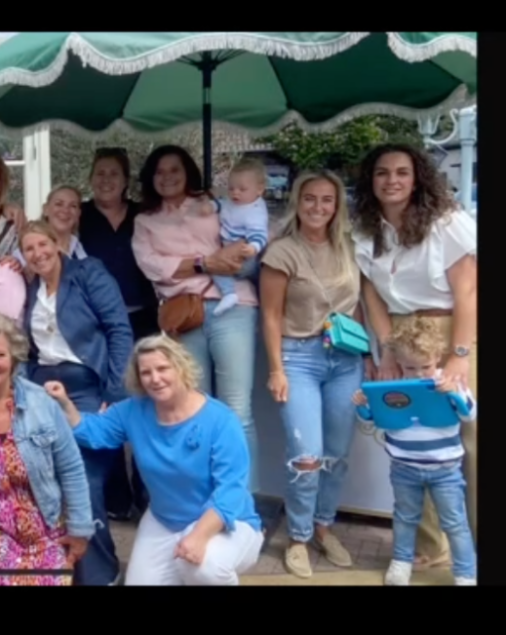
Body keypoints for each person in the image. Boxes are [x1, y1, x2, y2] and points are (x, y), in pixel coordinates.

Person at [47, 335, 264, 586]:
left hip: (226, 523)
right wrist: (64, 403)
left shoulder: (221, 420)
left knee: (202, 568)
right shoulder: (133, 410)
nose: (155, 378)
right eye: (146, 372)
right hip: (164, 520)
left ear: (181, 368)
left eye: (163, 368)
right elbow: (94, 432)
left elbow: (231, 490)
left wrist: (199, 535)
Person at [352, 143, 477, 571]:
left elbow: (468, 292)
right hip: (400, 335)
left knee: (470, 439)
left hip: (450, 327)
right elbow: (370, 294)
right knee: (413, 432)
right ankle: (430, 547)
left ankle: (476, 544)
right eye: (382, 172)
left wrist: (459, 355)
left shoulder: (447, 222)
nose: (392, 180)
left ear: (417, 177)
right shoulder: (366, 230)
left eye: (402, 172)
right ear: (371, 180)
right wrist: (387, 349)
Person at [132, 145, 260, 492]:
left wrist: (221, 259)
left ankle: (242, 500)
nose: (167, 177)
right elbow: (153, 266)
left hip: (234, 308)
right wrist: (206, 262)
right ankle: (204, 499)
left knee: (237, 410)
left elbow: (243, 242)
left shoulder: (213, 204)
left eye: (174, 169)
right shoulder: (145, 221)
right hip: (185, 316)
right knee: (195, 409)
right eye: (159, 171)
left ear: (188, 171)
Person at [259, 170, 365, 579]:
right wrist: (276, 369)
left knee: (336, 455)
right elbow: (270, 316)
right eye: (310, 198)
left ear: (337, 206)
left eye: (327, 199)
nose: (318, 207)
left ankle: (323, 526)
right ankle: (299, 537)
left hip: (346, 360)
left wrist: (370, 354)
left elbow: (359, 305)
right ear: (297, 202)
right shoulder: (282, 251)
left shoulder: (349, 247)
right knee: (306, 457)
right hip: (298, 358)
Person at [20, 220, 134, 585]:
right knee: (44, 477)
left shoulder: (88, 273)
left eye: (43, 244)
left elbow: (119, 329)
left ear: (57, 242)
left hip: (86, 387)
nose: (38, 253)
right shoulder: (32, 287)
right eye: (29, 249)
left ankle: (100, 573)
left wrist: (114, 393)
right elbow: (29, 348)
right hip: (42, 387)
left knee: (85, 479)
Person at [0, 310, 91, 585]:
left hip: (43, 531)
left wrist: (80, 529)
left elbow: (71, 468)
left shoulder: (41, 403)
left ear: (13, 359)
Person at [352, 317, 476, 586]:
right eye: (410, 367)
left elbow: (469, 414)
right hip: (404, 469)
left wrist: (453, 393)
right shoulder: (391, 385)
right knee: (405, 518)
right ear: (398, 361)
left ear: (438, 357)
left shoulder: (449, 381)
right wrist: (362, 404)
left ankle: (466, 573)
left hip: (446, 470)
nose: (419, 373)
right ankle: (401, 563)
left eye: (426, 367)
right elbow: (370, 418)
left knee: (455, 522)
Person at [75, 146, 155, 522]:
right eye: (100, 173)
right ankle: (116, 495)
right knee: (108, 404)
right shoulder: (81, 215)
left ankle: (147, 491)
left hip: (144, 321)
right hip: (97, 326)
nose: (106, 180)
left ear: (126, 180)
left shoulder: (144, 215)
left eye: (114, 174)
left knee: (146, 402)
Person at [211, 158, 270, 316]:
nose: (235, 193)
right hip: (237, 250)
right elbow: (222, 203)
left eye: (242, 189)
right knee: (258, 281)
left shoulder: (255, 211)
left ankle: (229, 293)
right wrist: (210, 206)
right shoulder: (233, 202)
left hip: (244, 255)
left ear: (259, 189)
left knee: (215, 266)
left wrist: (253, 247)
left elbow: (260, 233)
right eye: (231, 188)